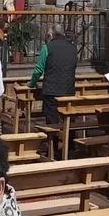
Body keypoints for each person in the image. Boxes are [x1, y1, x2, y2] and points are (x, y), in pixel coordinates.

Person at [27, 24, 77, 158]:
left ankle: (53, 149)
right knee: (69, 119)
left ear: (51, 35)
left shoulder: (47, 47)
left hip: (51, 90)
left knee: (52, 121)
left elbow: (39, 69)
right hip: (68, 89)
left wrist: (31, 84)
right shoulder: (73, 48)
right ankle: (70, 147)